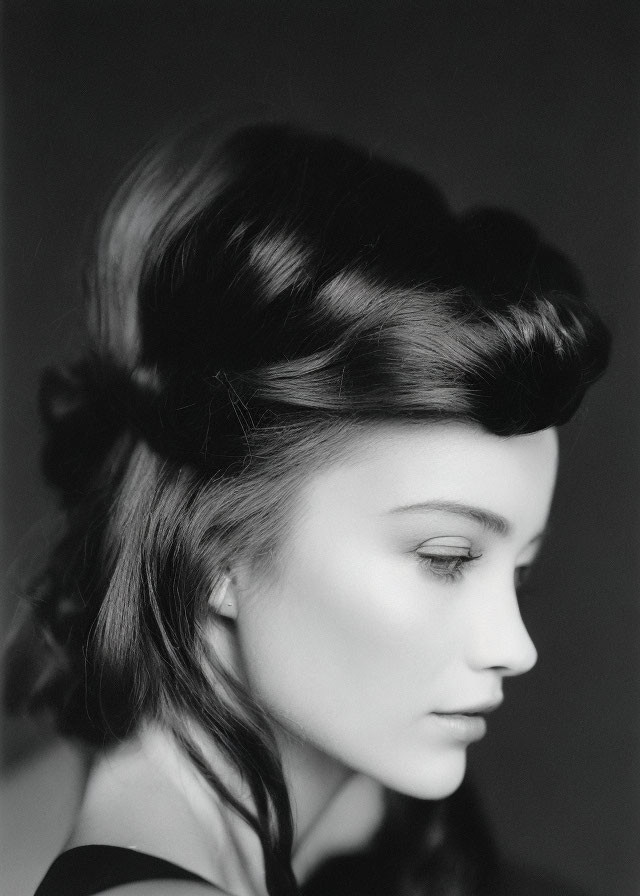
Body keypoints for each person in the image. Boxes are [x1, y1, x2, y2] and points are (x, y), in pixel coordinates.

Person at [5, 119, 610, 896]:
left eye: (517, 571)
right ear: (215, 541)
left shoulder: (357, 818)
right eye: (447, 558)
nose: (514, 646)